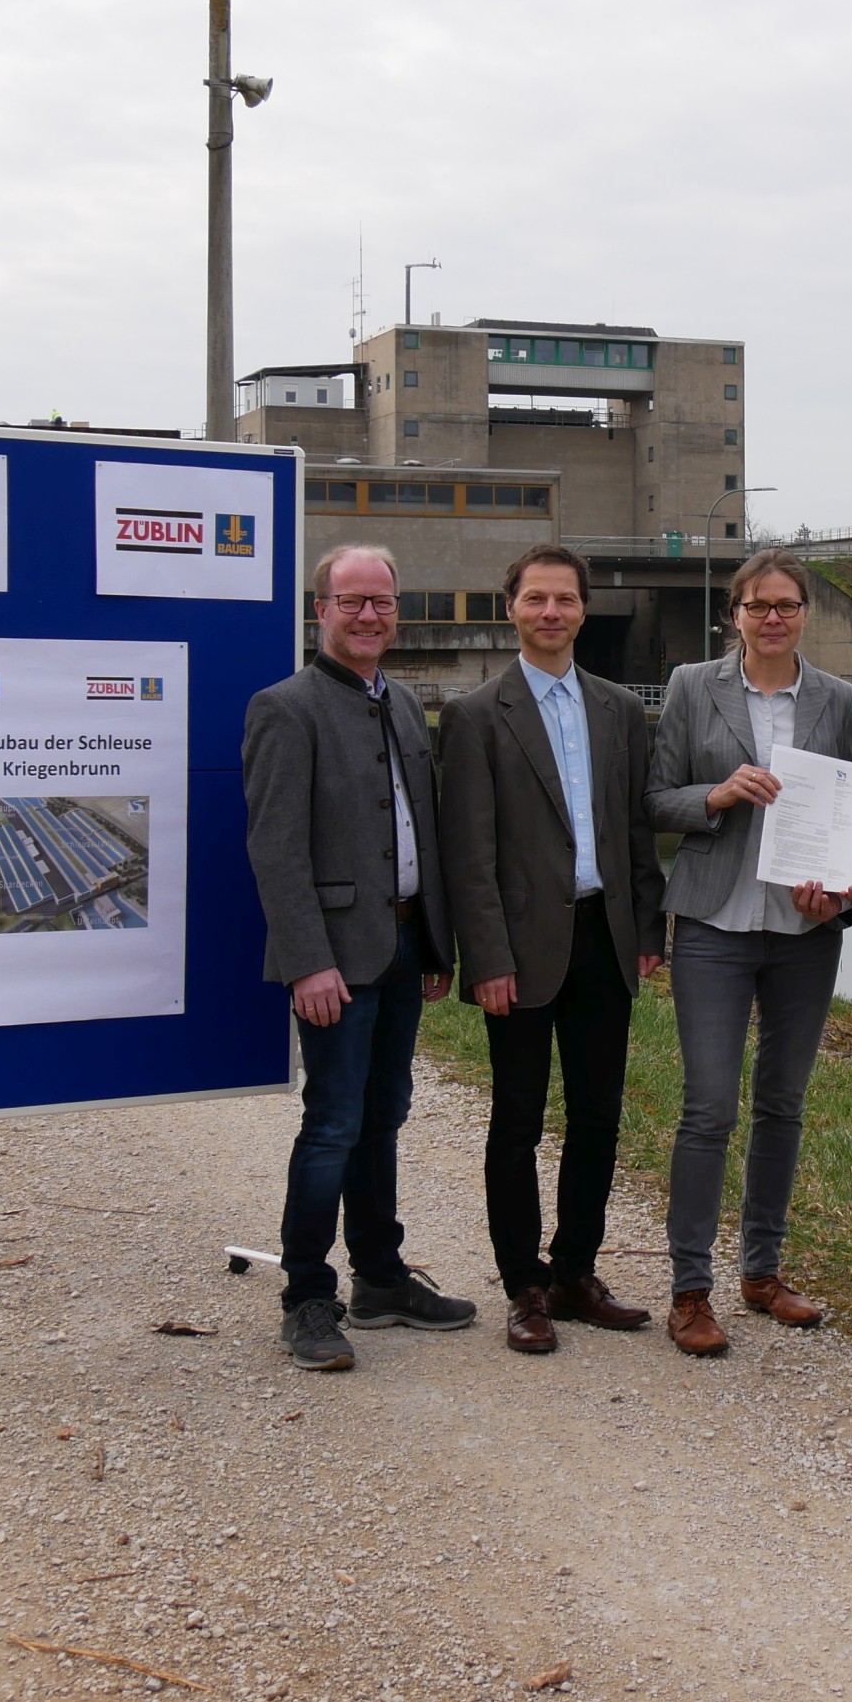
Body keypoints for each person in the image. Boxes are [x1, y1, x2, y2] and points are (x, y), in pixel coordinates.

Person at [242, 542, 474, 1373]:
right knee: (333, 1122)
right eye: (352, 601)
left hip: (405, 947)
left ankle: (380, 1277)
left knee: (385, 1116)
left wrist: (436, 942)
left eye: (382, 600)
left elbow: (421, 826)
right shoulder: (285, 707)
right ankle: (308, 1294)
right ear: (321, 610)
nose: (369, 614)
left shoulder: (406, 704)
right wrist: (307, 960)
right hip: (334, 958)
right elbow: (275, 848)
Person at [437, 542, 668, 1355]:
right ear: (513, 609)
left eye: (564, 599)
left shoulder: (617, 709)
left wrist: (648, 925)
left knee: (598, 1118)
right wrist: (486, 957)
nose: (550, 612)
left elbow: (636, 826)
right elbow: (469, 854)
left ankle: (575, 1271)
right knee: (518, 1121)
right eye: (535, 598)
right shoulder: (473, 716)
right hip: (521, 950)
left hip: (605, 935)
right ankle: (524, 1285)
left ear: (583, 609)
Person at [644, 548, 852, 1357]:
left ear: (805, 612)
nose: (773, 617)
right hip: (712, 924)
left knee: (783, 1103)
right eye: (758, 604)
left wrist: (842, 887)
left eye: (788, 604)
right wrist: (716, 794)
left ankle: (762, 1272)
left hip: (803, 930)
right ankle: (690, 1289)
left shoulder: (838, 697)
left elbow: (850, 811)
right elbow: (655, 798)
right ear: (733, 614)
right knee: (709, 1106)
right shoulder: (691, 685)